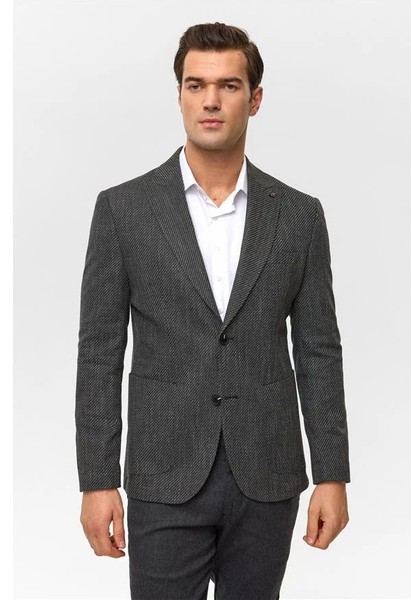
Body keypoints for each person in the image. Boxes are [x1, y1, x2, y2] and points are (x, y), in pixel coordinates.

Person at [75, 22, 350, 600]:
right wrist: (97, 480)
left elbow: (319, 351)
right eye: (196, 85)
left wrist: (332, 472)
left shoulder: (299, 216)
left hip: (267, 474)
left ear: (254, 98)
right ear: (178, 94)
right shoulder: (124, 210)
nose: (210, 100)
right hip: (163, 471)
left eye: (228, 85)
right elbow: (99, 354)